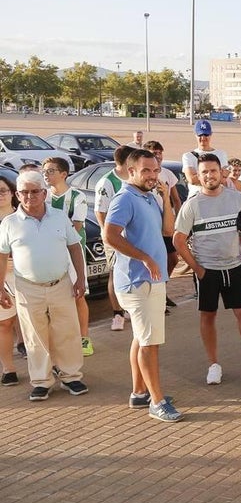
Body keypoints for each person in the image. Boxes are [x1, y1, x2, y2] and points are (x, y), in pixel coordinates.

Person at [173, 154, 241, 385]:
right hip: (207, 272)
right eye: (204, 172)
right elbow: (178, 240)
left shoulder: (236, 198)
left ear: (221, 172)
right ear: (198, 175)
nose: (209, 175)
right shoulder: (192, 205)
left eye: (213, 171)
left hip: (235, 268)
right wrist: (197, 269)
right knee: (208, 316)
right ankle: (213, 365)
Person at [103, 150, 181, 421]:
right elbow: (109, 235)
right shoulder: (125, 198)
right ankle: (157, 401)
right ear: (131, 171)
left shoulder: (149, 196)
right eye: (146, 170)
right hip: (139, 282)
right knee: (150, 343)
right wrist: (144, 257)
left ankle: (139, 393)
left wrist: (165, 198)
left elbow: (168, 231)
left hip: (153, 280)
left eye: (155, 170)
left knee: (141, 338)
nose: (152, 175)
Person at [0, 171, 87, 402]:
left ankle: (71, 376)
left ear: (44, 193)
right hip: (27, 288)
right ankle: (41, 381)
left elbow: (75, 248)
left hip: (61, 283)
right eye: (25, 192)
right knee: (34, 336)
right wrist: (0, 288)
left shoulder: (59, 217)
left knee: (66, 331)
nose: (30, 197)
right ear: (18, 195)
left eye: (35, 191)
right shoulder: (9, 223)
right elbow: (1, 257)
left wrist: (81, 279)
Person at [43, 157, 94, 357]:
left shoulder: (77, 196)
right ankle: (59, 341)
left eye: (51, 171)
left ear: (63, 174)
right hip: (48, 254)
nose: (46, 175)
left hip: (71, 252)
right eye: (44, 171)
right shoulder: (43, 196)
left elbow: (77, 226)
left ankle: (84, 339)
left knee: (78, 296)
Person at [95, 145, 133, 331]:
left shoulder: (132, 178)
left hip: (131, 235)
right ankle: (117, 313)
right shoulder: (107, 182)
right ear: (126, 162)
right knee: (115, 272)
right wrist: (107, 233)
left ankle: (128, 307)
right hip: (114, 236)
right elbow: (100, 211)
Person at [142, 141, 184, 295]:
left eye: (160, 153)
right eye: (154, 153)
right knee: (154, 260)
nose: (158, 156)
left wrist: (179, 222)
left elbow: (176, 199)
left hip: (166, 223)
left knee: (173, 259)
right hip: (151, 226)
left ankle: (162, 289)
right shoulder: (143, 177)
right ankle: (154, 292)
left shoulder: (167, 174)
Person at [0, 177, 20, 386]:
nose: (0, 195)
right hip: (2, 279)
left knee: (36, 323)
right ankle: (8, 368)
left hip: (27, 277)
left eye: (3, 190)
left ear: (12, 192)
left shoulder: (23, 217)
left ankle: (44, 365)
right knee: (5, 324)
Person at [181, 120, 228, 196]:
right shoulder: (188, 156)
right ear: (195, 134)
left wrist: (200, 177)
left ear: (211, 134)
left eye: (206, 135)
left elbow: (223, 180)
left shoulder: (221, 154)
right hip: (196, 198)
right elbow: (192, 180)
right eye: (200, 135)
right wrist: (216, 175)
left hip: (217, 198)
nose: (203, 138)